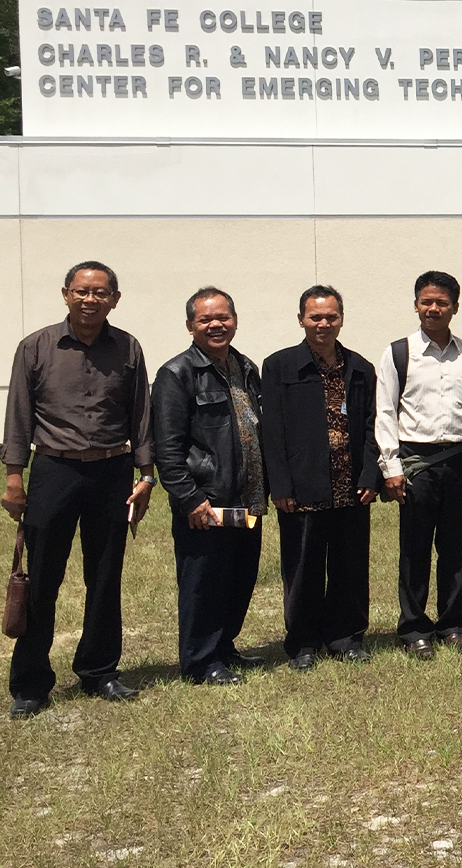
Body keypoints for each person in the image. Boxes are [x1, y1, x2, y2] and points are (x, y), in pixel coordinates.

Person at [3, 262, 155, 718]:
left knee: (105, 576)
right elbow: (19, 413)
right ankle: (31, 684)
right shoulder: (36, 347)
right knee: (41, 579)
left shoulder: (128, 347)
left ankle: (99, 671)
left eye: (100, 292)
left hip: (112, 472)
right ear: (66, 294)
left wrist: (146, 476)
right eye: (82, 291)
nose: (91, 299)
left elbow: (140, 415)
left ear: (115, 299)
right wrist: (14, 477)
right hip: (54, 470)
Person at [261, 285, 381, 671]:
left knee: (350, 566)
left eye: (331, 317)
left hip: (351, 487)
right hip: (303, 487)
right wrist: (280, 486)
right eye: (315, 317)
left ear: (341, 319)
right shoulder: (279, 367)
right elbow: (272, 431)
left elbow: (372, 427)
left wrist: (371, 474)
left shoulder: (360, 368)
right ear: (301, 319)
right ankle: (303, 642)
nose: (323, 324)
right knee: (303, 568)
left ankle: (346, 636)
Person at [151, 287, 266, 686]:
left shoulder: (246, 367)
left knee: (238, 577)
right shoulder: (176, 374)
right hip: (206, 502)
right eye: (206, 319)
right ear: (190, 325)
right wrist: (190, 498)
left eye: (223, 317)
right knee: (203, 582)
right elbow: (167, 447)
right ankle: (201, 661)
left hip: (247, 498)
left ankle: (224, 647)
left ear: (235, 321)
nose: (216, 325)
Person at [375, 271, 462, 660]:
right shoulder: (399, 353)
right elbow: (385, 412)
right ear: (416, 305)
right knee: (415, 548)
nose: (433, 309)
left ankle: (452, 623)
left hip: (459, 463)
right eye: (426, 302)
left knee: (456, 547)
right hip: (415, 464)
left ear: (455, 307)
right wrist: (391, 468)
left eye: (441, 302)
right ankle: (414, 628)